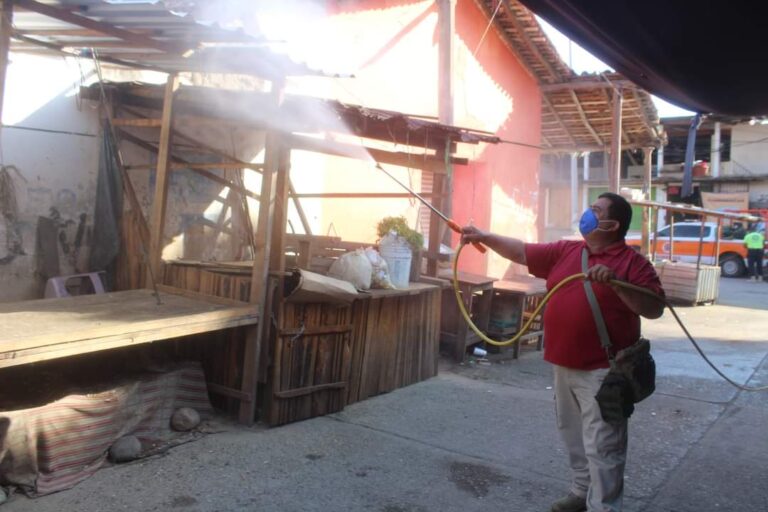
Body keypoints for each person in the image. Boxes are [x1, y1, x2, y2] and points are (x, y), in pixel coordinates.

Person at [461, 192, 664, 512]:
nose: (587, 213)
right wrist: (485, 236)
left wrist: (616, 284)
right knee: (572, 435)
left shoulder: (633, 264)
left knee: (604, 445)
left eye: (595, 211)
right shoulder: (568, 251)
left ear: (611, 224)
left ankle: (604, 507)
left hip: (603, 370)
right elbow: (522, 250)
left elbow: (654, 308)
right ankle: (581, 492)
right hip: (563, 364)